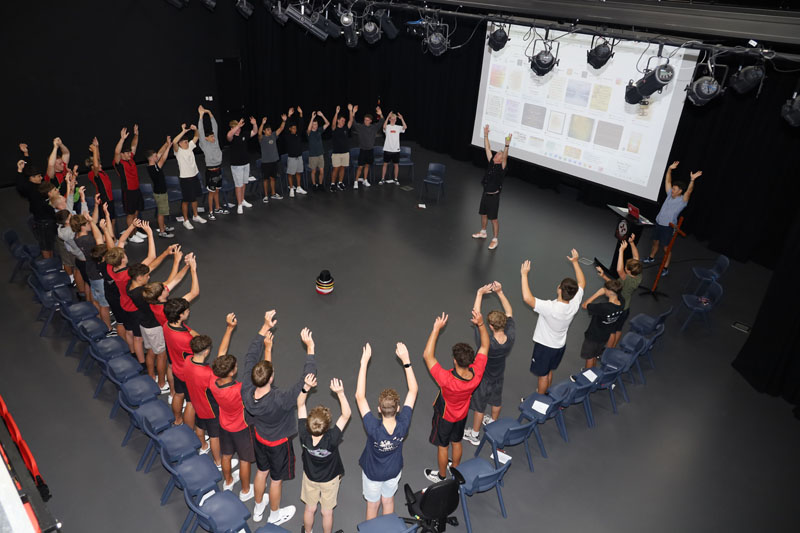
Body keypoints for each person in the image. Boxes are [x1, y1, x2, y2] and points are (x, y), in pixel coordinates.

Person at [241, 311, 317, 525]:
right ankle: (274, 514)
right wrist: (310, 348)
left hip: (259, 438)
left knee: (261, 472)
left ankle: (258, 508)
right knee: (276, 480)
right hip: (277, 444)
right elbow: (306, 380)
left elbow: (250, 356)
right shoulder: (280, 399)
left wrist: (264, 328)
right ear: (271, 378)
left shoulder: (246, 390)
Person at [423, 310, 489, 483]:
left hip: (445, 417)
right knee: (457, 442)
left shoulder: (446, 380)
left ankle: (442, 476)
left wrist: (436, 329)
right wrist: (481, 324)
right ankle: (455, 470)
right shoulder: (477, 374)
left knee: (443, 446)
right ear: (470, 361)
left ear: (454, 360)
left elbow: (428, 356)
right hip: (462, 415)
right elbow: (484, 346)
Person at [355, 342, 417, 520]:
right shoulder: (404, 423)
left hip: (373, 474)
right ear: (398, 408)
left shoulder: (373, 428)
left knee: (372, 505)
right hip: (393, 472)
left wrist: (364, 363)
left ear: (379, 409)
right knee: (388, 501)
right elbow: (413, 390)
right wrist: (406, 360)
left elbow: (360, 397)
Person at [521, 249, 587, 394]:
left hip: (545, 347)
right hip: (559, 346)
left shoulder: (550, 308)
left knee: (543, 375)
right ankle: (546, 392)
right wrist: (575, 262)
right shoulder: (574, 303)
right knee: (549, 370)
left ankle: (540, 400)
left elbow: (527, 298)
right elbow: (582, 282)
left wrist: (524, 275)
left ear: (559, 289)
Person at [106, 224, 172, 366]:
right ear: (123, 260)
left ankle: (132, 353)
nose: (126, 254)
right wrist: (149, 233)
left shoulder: (111, 267)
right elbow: (152, 258)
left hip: (123, 303)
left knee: (129, 331)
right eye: (124, 254)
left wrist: (130, 227)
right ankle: (141, 362)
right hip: (133, 308)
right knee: (138, 337)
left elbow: (119, 243)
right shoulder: (128, 275)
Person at [463, 282, 515, 446]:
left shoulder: (486, 343)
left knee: (480, 406)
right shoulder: (510, 335)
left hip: (484, 377)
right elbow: (509, 311)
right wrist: (500, 292)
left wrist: (479, 294)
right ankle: (493, 422)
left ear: (491, 326)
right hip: (499, 374)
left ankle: (474, 435)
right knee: (496, 400)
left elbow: (476, 315)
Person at [128, 245, 185, 392]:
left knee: (151, 351)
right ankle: (161, 383)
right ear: (139, 278)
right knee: (161, 355)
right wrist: (176, 261)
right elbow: (170, 281)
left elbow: (151, 266)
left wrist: (165, 252)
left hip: (144, 324)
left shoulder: (132, 286)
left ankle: (151, 376)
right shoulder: (144, 293)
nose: (149, 277)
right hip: (154, 327)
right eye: (147, 276)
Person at [185, 313, 241, 464]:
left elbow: (221, 355)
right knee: (214, 436)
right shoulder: (208, 374)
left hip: (196, 403)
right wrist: (229, 328)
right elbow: (222, 354)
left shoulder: (188, 360)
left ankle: (203, 446)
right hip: (210, 409)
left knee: (200, 426)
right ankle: (218, 462)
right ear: (206, 351)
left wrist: (229, 329)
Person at [297, 375, 350, 533]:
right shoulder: (332, 438)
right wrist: (340, 393)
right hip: (329, 480)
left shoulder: (303, 433)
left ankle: (308, 532)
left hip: (310, 477)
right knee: (327, 512)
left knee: (310, 508)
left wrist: (306, 387)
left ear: (308, 424)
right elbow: (346, 415)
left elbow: (300, 404)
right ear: (327, 427)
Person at [142, 252, 198, 393]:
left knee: (171, 364)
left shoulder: (154, 302)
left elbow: (176, 279)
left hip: (167, 333)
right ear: (160, 296)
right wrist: (193, 269)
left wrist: (186, 265)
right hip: (175, 336)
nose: (166, 287)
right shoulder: (170, 308)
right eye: (164, 289)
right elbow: (194, 293)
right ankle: (169, 387)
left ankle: (172, 392)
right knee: (174, 363)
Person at [210, 349, 257, 501]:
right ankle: (245, 491)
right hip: (241, 428)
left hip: (224, 426)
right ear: (231, 372)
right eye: (235, 366)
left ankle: (228, 481)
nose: (237, 367)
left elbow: (221, 353)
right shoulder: (239, 389)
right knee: (244, 459)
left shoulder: (213, 382)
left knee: (226, 455)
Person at [643, 161, 702, 276]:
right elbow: (668, 181)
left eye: (675, 189)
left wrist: (692, 180)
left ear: (680, 191)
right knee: (655, 242)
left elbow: (689, 191)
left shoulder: (682, 201)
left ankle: (665, 268)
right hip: (658, 223)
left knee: (666, 248)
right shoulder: (670, 194)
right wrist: (669, 169)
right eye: (673, 188)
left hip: (668, 227)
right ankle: (651, 257)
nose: (672, 190)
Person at [595, 235, 643, 347]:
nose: (624, 268)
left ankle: (608, 350)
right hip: (626, 307)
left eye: (626, 267)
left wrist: (621, 251)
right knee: (618, 329)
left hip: (619, 307)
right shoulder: (638, 274)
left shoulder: (627, 279)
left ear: (628, 271)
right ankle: (612, 348)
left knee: (612, 331)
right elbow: (636, 257)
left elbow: (619, 270)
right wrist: (631, 243)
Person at [472, 124, 510, 251]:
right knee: (483, 214)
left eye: (498, 154)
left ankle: (495, 239)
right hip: (485, 193)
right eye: (497, 153)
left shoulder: (502, 167)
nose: (496, 155)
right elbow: (487, 148)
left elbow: (505, 156)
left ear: (501, 158)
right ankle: (483, 232)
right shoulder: (491, 163)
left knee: (493, 219)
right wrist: (486, 135)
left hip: (494, 197)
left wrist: (506, 146)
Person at [164, 296, 200, 427]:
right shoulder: (185, 339)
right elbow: (199, 345)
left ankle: (177, 419)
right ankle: (189, 432)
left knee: (179, 394)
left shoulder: (167, 325)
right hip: (187, 374)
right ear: (180, 315)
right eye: (187, 310)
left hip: (176, 368)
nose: (189, 311)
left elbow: (188, 330)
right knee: (191, 403)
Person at [16, 154, 56, 259]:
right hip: (42, 221)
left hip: (47, 219)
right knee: (45, 246)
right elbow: (20, 186)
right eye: (39, 176)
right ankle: (49, 264)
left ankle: (51, 260)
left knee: (49, 243)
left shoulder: (38, 184)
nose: (41, 178)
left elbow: (30, 169)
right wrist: (19, 170)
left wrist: (26, 155)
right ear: (32, 178)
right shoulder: (29, 188)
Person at [580, 279, 625, 369]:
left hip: (593, 336)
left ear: (610, 292)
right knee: (594, 354)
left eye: (605, 289)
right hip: (604, 336)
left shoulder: (603, 307)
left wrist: (597, 294)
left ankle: (586, 375)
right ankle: (593, 372)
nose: (604, 290)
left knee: (589, 357)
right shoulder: (622, 302)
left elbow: (584, 305)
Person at [113, 125, 146, 241]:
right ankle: (131, 236)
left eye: (129, 153)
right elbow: (116, 151)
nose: (129, 154)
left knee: (136, 213)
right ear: (122, 155)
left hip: (136, 189)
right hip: (128, 191)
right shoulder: (119, 163)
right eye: (126, 153)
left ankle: (135, 231)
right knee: (130, 214)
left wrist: (136, 134)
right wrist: (122, 139)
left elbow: (134, 145)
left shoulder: (130, 159)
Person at [173, 123, 207, 229]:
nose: (187, 143)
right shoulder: (178, 152)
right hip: (185, 179)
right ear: (180, 144)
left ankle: (196, 216)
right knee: (186, 200)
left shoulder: (190, 147)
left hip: (194, 176)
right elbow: (174, 142)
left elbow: (196, 136)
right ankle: (186, 220)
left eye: (187, 141)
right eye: (185, 142)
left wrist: (195, 129)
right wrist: (183, 131)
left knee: (194, 198)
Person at [198, 105, 229, 217]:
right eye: (211, 136)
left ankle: (217, 208)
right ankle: (211, 212)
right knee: (211, 193)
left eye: (213, 136)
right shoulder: (204, 144)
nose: (213, 138)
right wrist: (201, 116)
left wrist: (209, 113)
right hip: (210, 171)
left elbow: (215, 126)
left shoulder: (215, 142)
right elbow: (200, 131)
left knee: (217, 191)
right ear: (206, 138)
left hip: (218, 170)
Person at [145, 136, 175, 238]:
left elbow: (160, 153)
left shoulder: (153, 164)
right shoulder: (153, 168)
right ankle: (162, 231)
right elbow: (163, 158)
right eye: (154, 156)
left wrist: (166, 143)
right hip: (160, 193)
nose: (156, 156)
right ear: (150, 158)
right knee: (161, 213)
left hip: (160, 192)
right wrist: (168, 147)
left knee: (162, 211)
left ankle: (164, 226)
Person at [226, 117, 258, 213]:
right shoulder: (231, 137)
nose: (238, 129)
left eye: (239, 127)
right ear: (232, 128)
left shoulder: (243, 134)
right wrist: (238, 125)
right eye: (236, 127)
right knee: (238, 185)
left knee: (244, 183)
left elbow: (254, 132)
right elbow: (229, 135)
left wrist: (254, 124)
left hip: (246, 163)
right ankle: (239, 204)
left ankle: (242, 200)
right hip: (237, 166)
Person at [352, 105, 384, 189]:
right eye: (365, 120)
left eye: (367, 120)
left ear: (370, 121)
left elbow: (382, 121)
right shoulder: (360, 127)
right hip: (363, 150)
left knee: (367, 166)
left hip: (370, 150)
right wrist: (353, 113)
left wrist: (380, 114)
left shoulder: (374, 127)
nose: (365, 121)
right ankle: (356, 181)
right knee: (360, 167)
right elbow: (353, 122)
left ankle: (365, 180)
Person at [281, 107, 307, 198]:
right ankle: (291, 188)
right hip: (291, 158)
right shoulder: (288, 136)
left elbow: (301, 125)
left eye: (295, 128)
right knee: (290, 174)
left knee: (298, 172)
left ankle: (298, 187)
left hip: (299, 157)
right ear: (290, 129)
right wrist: (288, 116)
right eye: (293, 128)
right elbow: (286, 127)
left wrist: (301, 114)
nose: (295, 129)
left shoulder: (298, 134)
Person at [258, 116, 285, 202]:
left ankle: (273, 194)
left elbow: (281, 128)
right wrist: (262, 124)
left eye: (270, 129)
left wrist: (284, 121)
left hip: (274, 161)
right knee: (266, 179)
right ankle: (266, 196)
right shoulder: (262, 138)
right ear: (264, 131)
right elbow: (259, 133)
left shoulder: (273, 135)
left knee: (273, 178)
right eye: (268, 130)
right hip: (266, 163)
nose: (270, 131)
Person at [86, 137, 114, 219]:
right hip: (104, 200)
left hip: (110, 198)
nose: (100, 165)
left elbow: (97, 159)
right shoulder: (92, 174)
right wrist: (94, 151)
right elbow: (96, 165)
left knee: (112, 219)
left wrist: (97, 147)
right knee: (106, 220)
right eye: (98, 164)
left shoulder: (101, 171)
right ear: (92, 167)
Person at [329, 105, 355, 192]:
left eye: (344, 121)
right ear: (338, 120)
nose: (344, 122)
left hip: (345, 152)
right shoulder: (334, 129)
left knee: (343, 168)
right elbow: (333, 124)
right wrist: (336, 113)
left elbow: (351, 121)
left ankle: (340, 183)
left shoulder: (345, 128)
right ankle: (332, 184)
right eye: (342, 120)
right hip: (336, 153)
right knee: (336, 169)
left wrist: (350, 110)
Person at [379, 112, 406, 185]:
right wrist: (388, 116)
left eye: (395, 119)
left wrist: (402, 118)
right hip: (387, 149)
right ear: (389, 119)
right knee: (385, 164)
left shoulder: (398, 127)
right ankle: (382, 179)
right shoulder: (387, 126)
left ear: (396, 120)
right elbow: (384, 127)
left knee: (396, 165)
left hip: (396, 150)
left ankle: (396, 179)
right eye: (392, 119)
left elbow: (405, 127)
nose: (393, 120)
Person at [306, 110, 330, 191]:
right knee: (313, 171)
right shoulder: (309, 133)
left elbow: (327, 124)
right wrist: (312, 118)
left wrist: (322, 115)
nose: (315, 126)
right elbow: (308, 129)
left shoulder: (319, 130)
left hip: (320, 154)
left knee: (322, 171)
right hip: (313, 155)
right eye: (313, 124)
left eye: (316, 124)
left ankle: (320, 184)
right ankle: (314, 185)